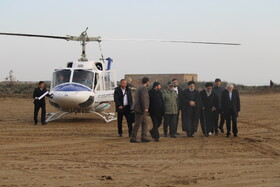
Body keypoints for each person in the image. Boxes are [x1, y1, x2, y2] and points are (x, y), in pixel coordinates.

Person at [130, 77, 150, 143]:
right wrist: (145, 108)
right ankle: (133, 137)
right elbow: (143, 98)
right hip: (140, 109)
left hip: (139, 108)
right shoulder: (143, 88)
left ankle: (144, 137)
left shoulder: (139, 87)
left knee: (145, 122)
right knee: (137, 123)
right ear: (147, 82)